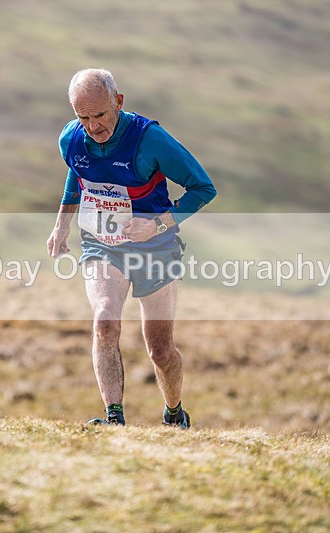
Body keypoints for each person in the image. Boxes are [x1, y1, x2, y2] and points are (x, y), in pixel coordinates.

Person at [47, 68, 216, 428]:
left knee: (159, 349)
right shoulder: (70, 138)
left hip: (155, 247)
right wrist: (61, 224)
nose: (93, 127)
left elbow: (203, 189)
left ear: (118, 102)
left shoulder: (150, 140)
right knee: (105, 321)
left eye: (100, 115)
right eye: (83, 117)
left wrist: (156, 224)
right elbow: (77, 173)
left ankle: (174, 413)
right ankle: (114, 419)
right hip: (101, 244)